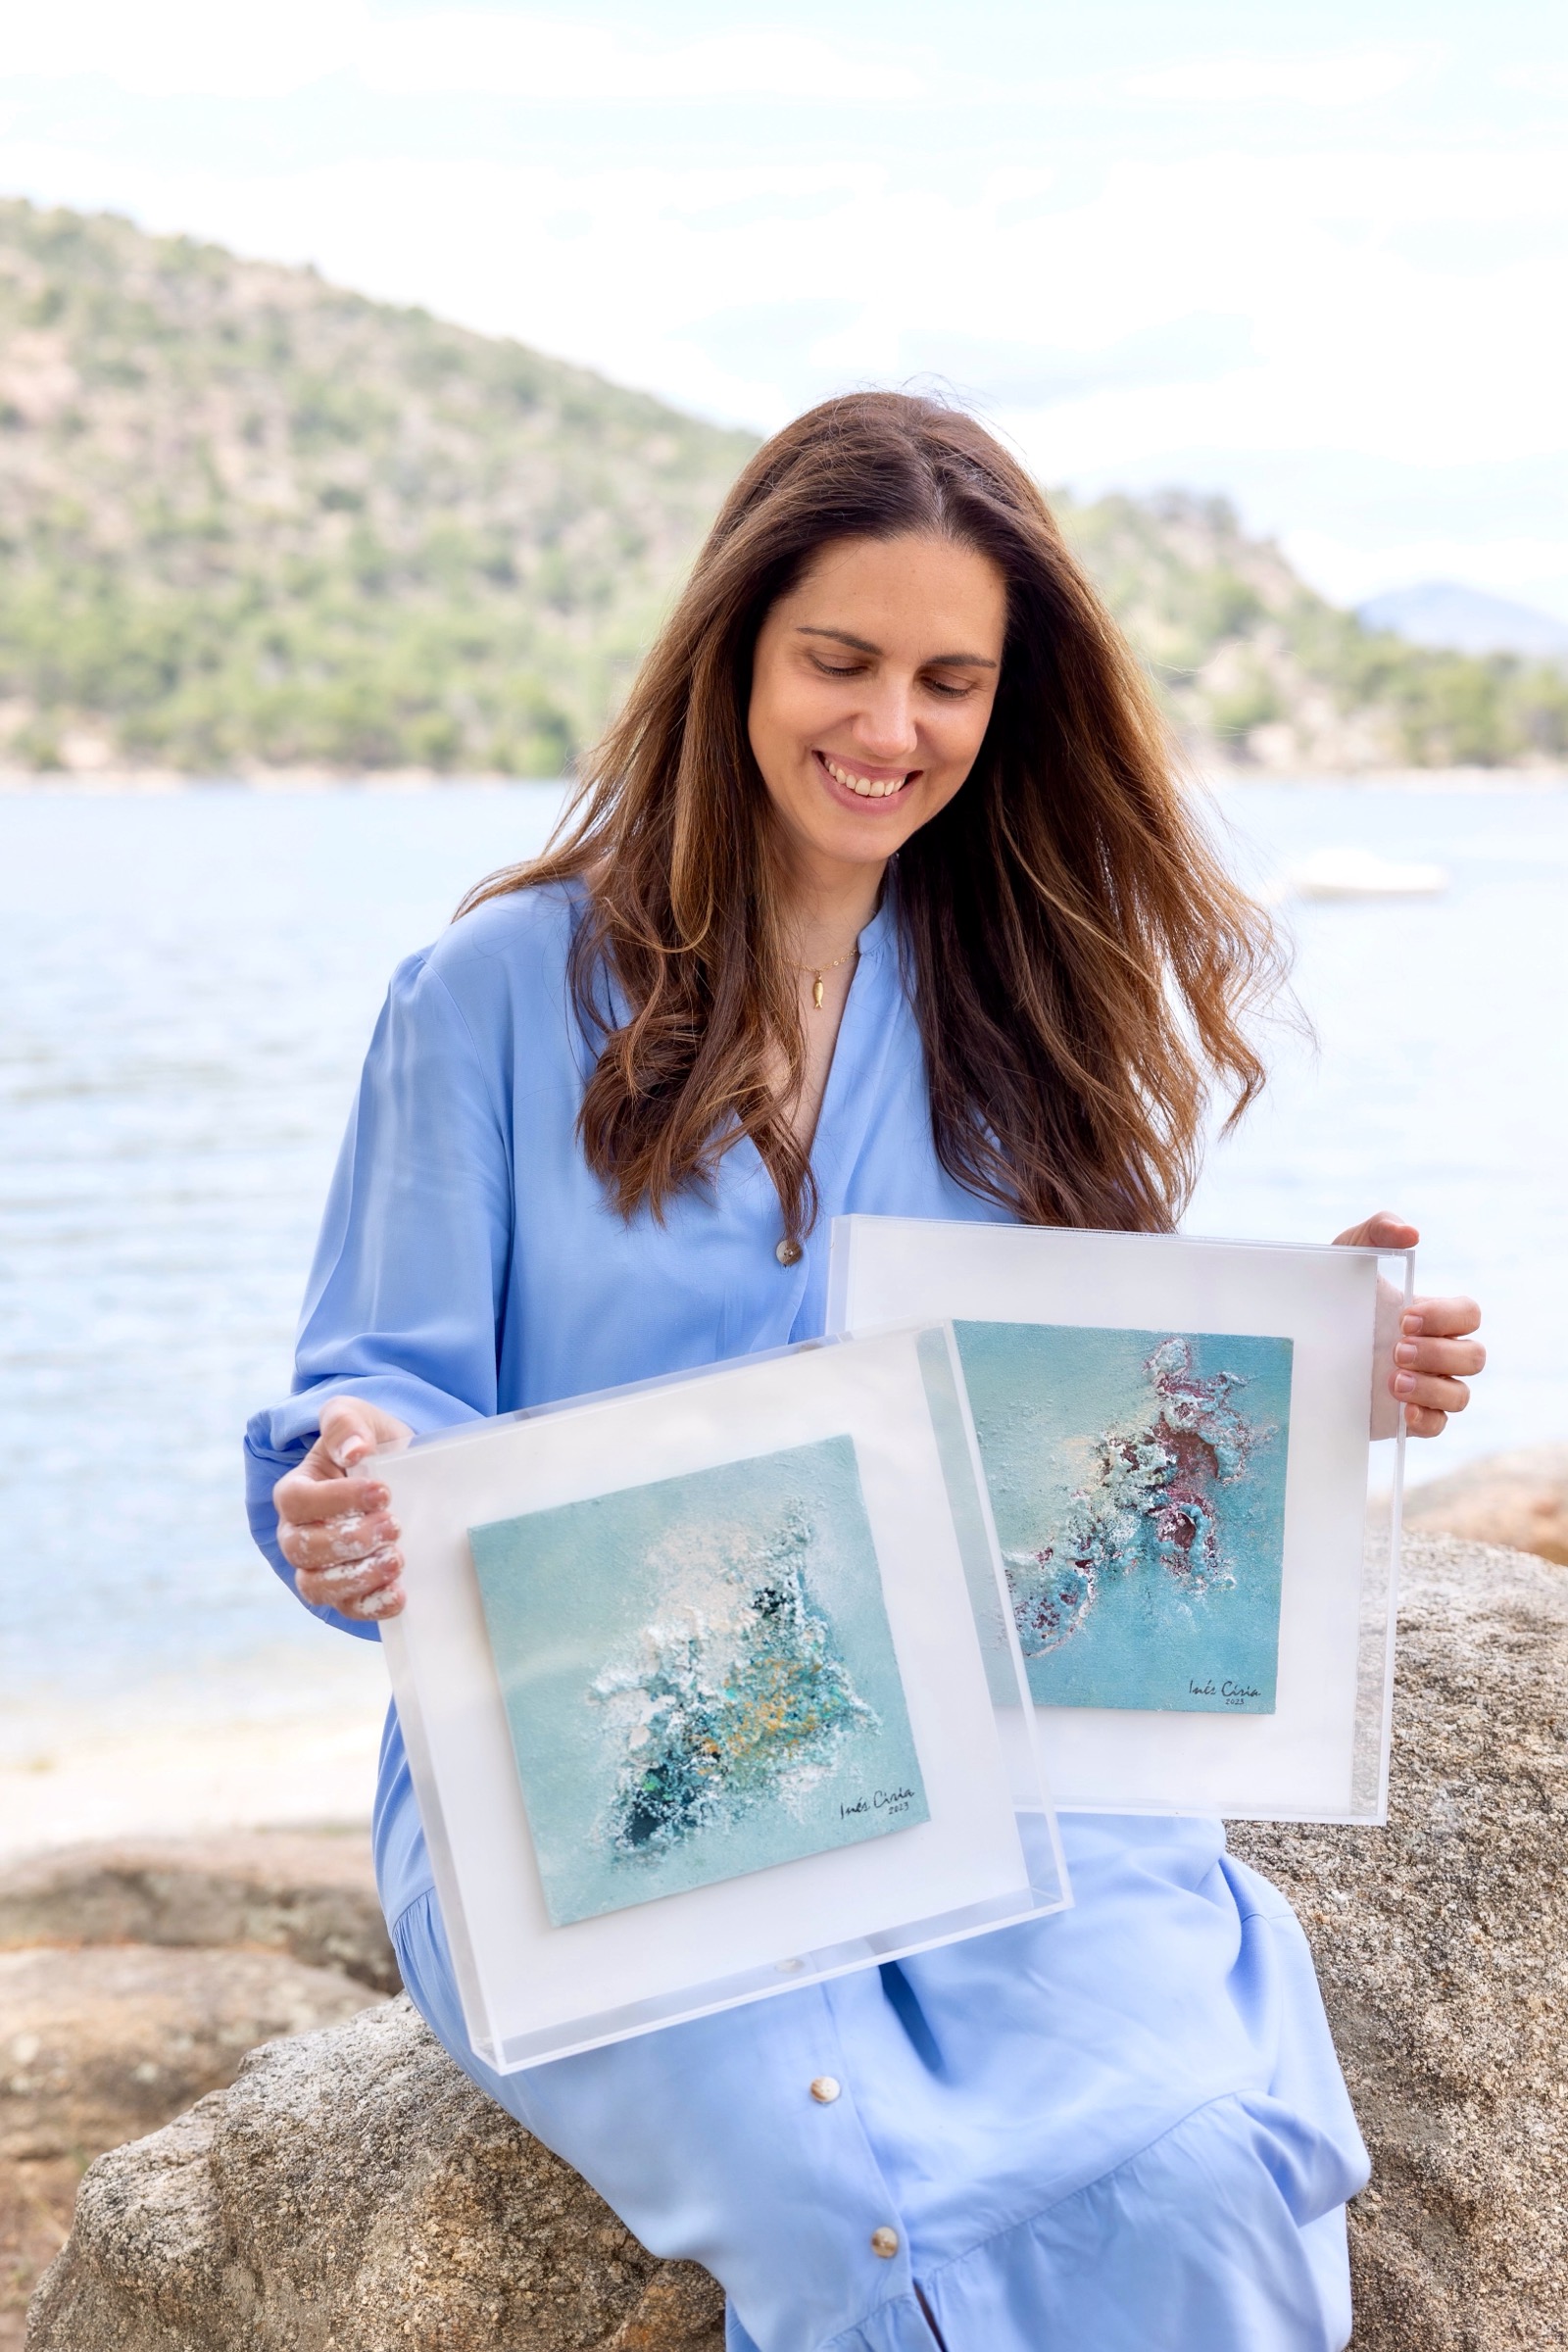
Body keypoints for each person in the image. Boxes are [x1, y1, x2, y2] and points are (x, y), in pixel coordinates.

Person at [245, 393, 1484, 2352]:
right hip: (607, 1791)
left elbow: (1076, 1432)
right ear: (733, 648)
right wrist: (349, 1490)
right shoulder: (487, 995)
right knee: (860, 2207)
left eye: (945, 681)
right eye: (837, 660)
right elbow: (378, 1401)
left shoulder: (1032, 1006)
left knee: (1179, 2152)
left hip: (1000, 1768)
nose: (885, 728)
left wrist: (1294, 1374)